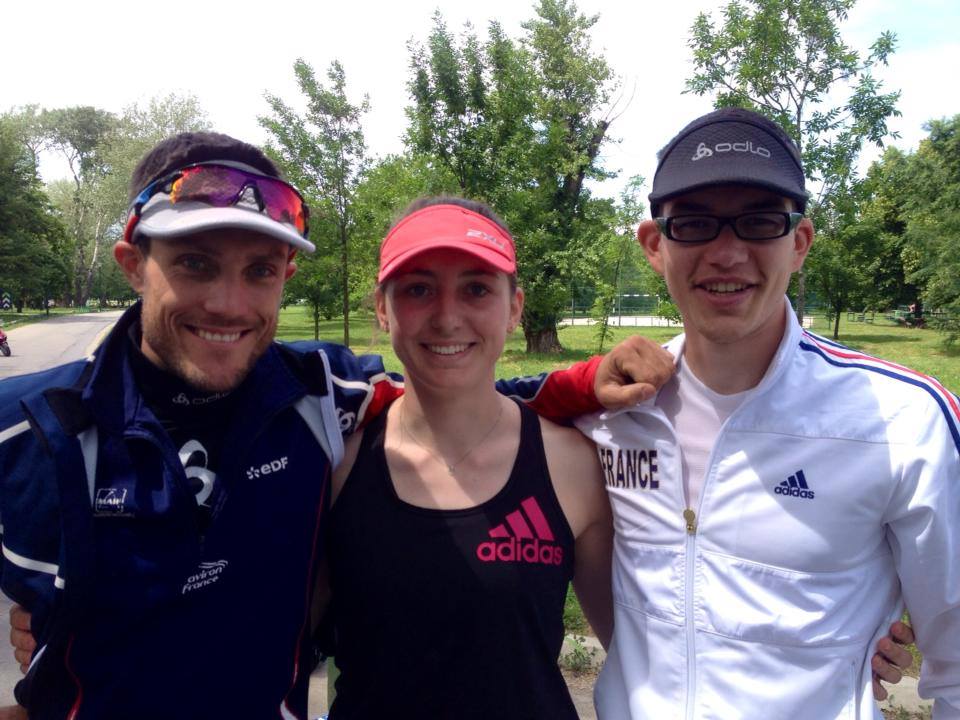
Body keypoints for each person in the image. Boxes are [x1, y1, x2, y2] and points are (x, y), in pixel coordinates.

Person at [0, 133, 670, 719]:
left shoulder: (318, 401)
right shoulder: (26, 429)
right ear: (132, 265)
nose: (228, 303)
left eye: (259, 271)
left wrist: (582, 382)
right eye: (195, 263)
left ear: (286, 274)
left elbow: (456, 388)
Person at [574, 107, 959, 719]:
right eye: (695, 225)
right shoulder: (605, 416)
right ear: (654, 245)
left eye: (758, 223)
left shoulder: (903, 420)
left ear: (799, 242)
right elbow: (454, 405)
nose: (727, 254)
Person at [323, 197, 613, 718]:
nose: (447, 317)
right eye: (418, 289)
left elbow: (637, 652)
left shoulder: (573, 465)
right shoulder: (338, 465)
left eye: (477, 288)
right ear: (383, 309)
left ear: (514, 307)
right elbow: (278, 652)